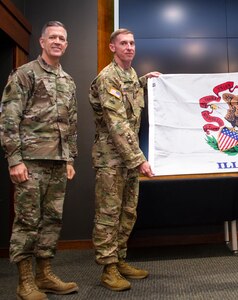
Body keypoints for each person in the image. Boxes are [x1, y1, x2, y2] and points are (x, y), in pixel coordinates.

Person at [0, 21, 79, 299]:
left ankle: (44, 275)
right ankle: (24, 282)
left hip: (58, 162)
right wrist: (14, 160)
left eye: (62, 38)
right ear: (42, 42)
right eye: (53, 37)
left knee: (52, 220)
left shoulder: (68, 81)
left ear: (66, 45)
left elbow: (71, 123)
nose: (57, 41)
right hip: (30, 161)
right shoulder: (24, 74)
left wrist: (69, 158)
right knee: (27, 221)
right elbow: (9, 119)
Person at [89, 28, 160, 291]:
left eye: (132, 43)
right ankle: (108, 269)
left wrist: (145, 80)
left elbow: (130, 95)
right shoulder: (108, 78)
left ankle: (119, 260)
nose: (129, 47)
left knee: (128, 211)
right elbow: (117, 123)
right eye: (123, 43)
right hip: (111, 159)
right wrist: (139, 159)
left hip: (128, 160)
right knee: (108, 213)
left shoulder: (130, 76)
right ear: (112, 48)